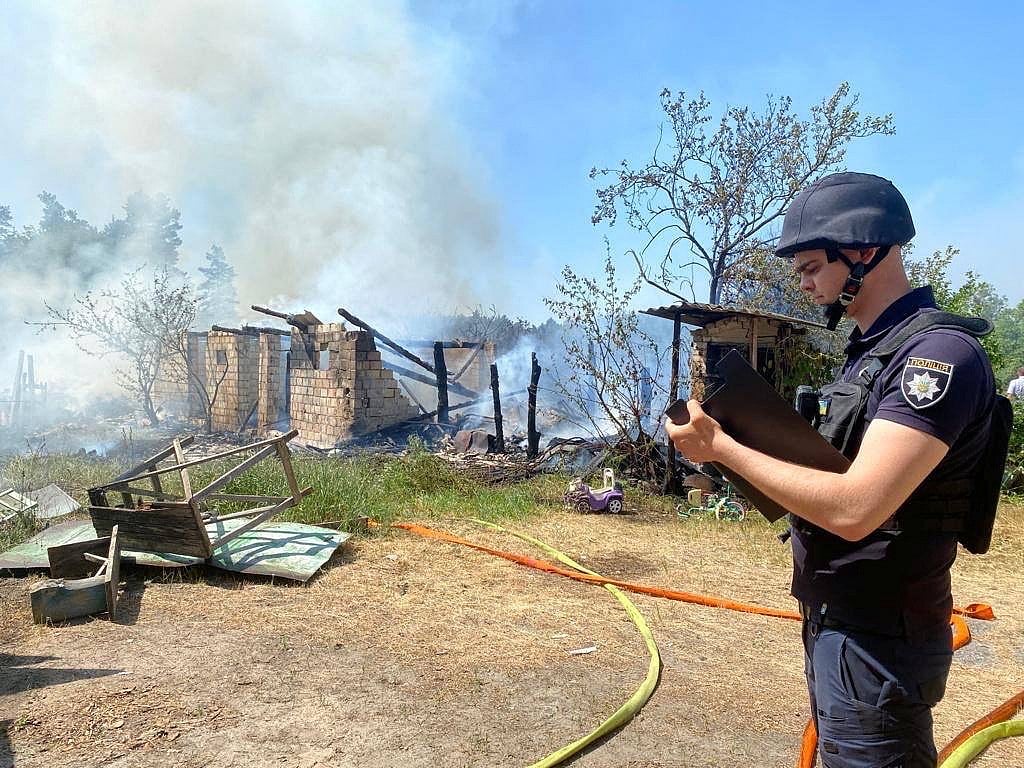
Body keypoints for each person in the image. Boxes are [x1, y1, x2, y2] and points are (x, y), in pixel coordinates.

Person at [665, 172, 999, 768]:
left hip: (881, 637)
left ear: (865, 252)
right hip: (839, 620)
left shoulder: (936, 358)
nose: (804, 282)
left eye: (813, 266)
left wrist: (721, 448)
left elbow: (855, 507)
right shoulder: (870, 354)